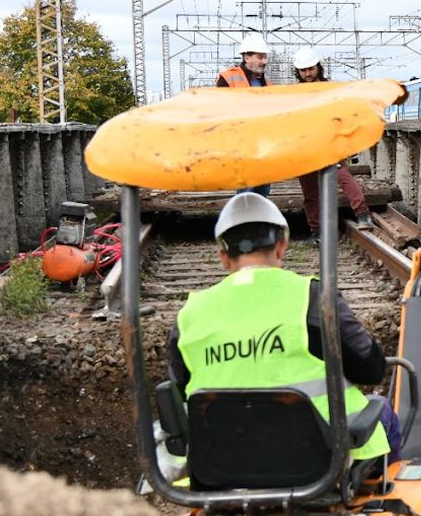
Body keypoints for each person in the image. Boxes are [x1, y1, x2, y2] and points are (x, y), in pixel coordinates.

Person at [163, 192, 403, 475]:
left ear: (224, 258)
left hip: (223, 469)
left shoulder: (189, 315)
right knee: (383, 410)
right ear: (281, 246)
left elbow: (177, 396)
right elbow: (370, 368)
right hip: (324, 467)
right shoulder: (314, 298)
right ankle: (389, 498)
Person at [293, 46, 374, 242]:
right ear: (298, 72)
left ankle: (363, 215)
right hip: (306, 147)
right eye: (303, 70)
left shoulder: (332, 90)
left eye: (310, 69)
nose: (307, 73)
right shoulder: (295, 93)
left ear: (318, 67)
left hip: (329, 143)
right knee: (310, 192)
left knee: (343, 176)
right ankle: (317, 232)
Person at [219, 34, 274, 196]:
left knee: (263, 191)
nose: (264, 61)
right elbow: (220, 111)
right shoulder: (228, 77)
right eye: (260, 57)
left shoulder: (268, 83)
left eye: (265, 57)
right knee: (246, 191)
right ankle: (245, 219)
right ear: (247, 57)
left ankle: (257, 220)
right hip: (241, 145)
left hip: (263, 146)